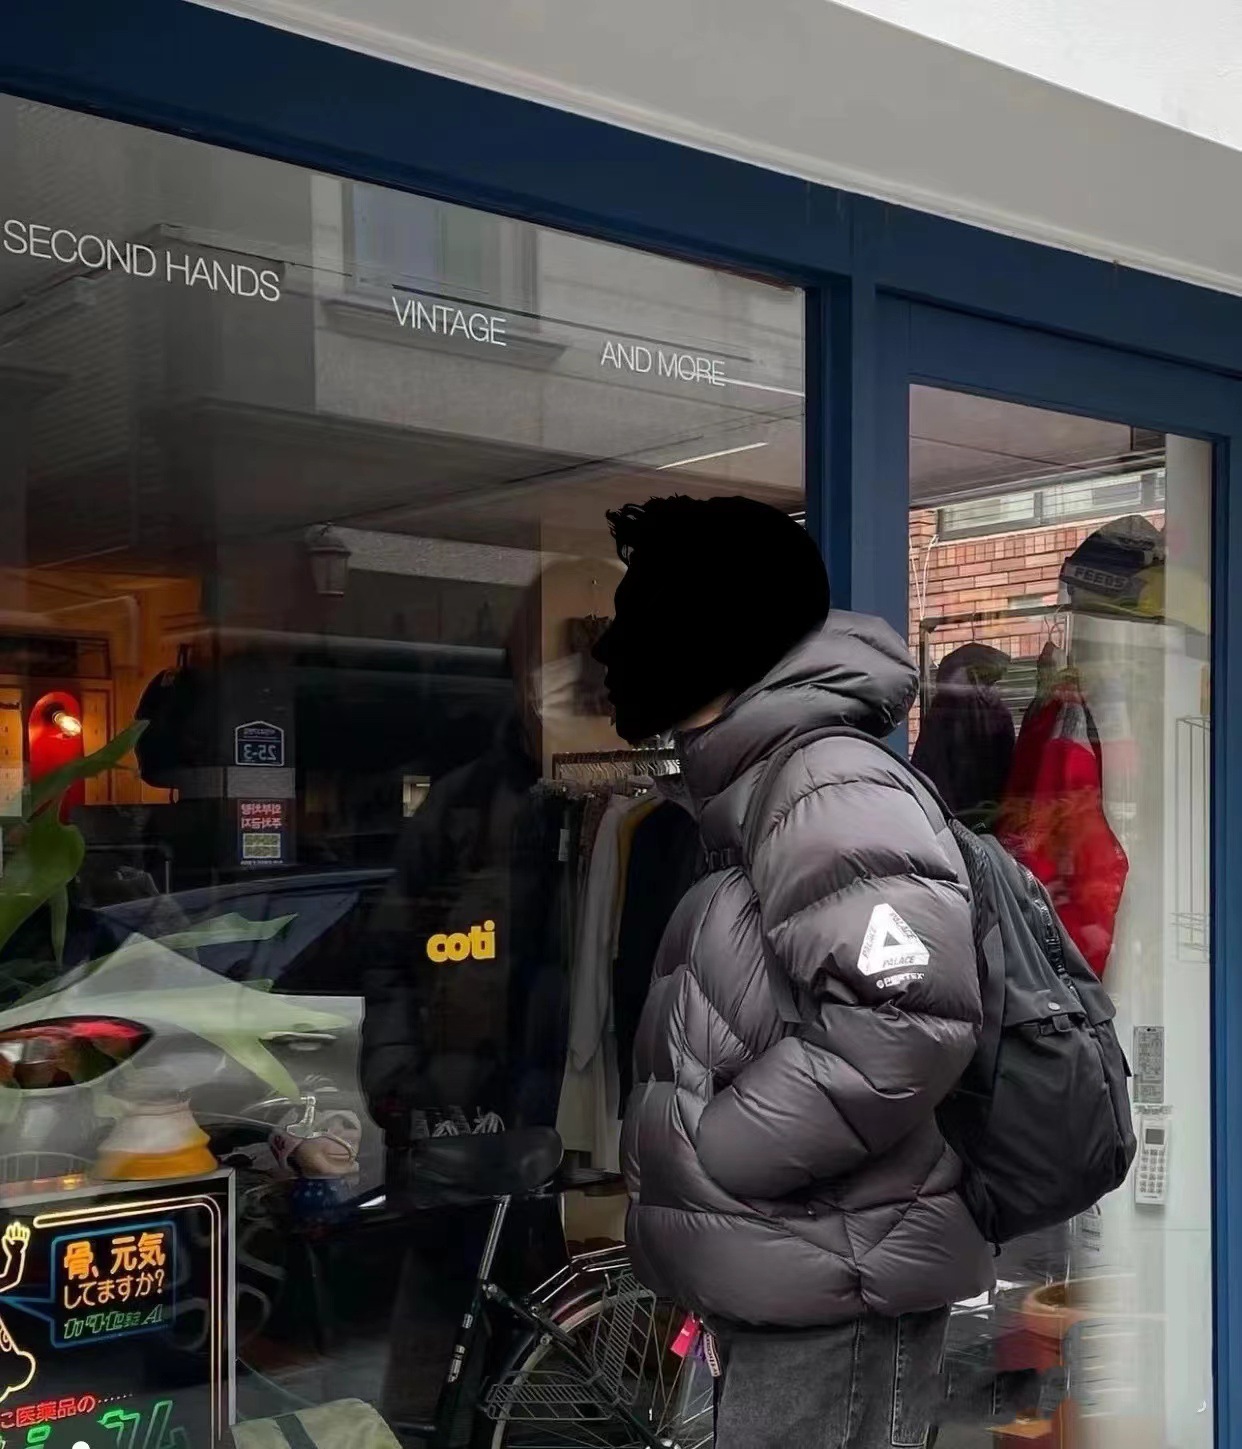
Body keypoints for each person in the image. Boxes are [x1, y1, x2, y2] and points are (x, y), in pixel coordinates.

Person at [593, 496, 993, 1449]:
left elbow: (906, 1020)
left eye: (641, 611)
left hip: (832, 1286)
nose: (612, 647)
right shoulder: (761, 787)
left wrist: (725, 1155)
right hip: (802, 1275)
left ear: (715, 633)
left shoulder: (826, 782)